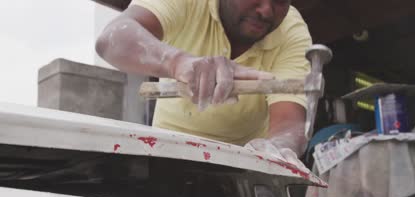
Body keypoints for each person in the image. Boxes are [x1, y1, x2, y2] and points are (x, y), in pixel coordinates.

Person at [95, 0, 312, 166]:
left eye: (280, 1)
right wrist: (178, 63)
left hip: (248, 166)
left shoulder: (291, 30)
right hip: (169, 152)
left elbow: (289, 121)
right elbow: (112, 39)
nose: (266, 10)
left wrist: (276, 151)